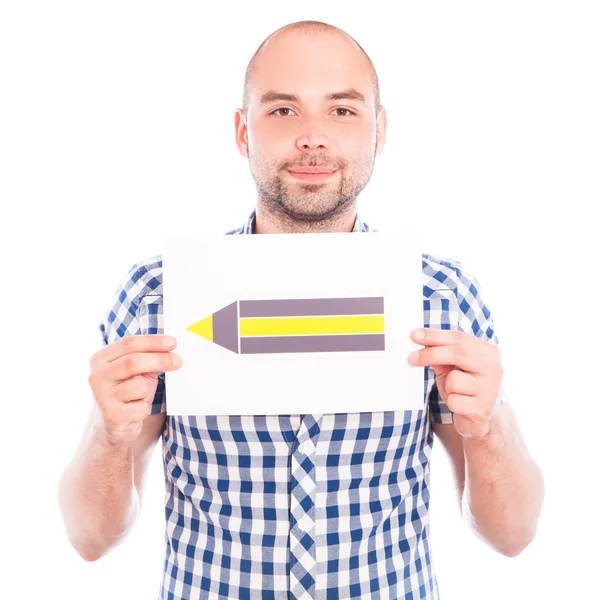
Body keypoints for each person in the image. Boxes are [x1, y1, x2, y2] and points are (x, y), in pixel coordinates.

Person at [58, 20, 544, 600]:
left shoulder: (440, 296)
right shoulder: (158, 296)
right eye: (283, 111)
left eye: (342, 111)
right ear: (243, 132)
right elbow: (90, 539)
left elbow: (512, 535)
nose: (313, 137)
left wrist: (488, 428)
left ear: (379, 130)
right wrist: (107, 433)